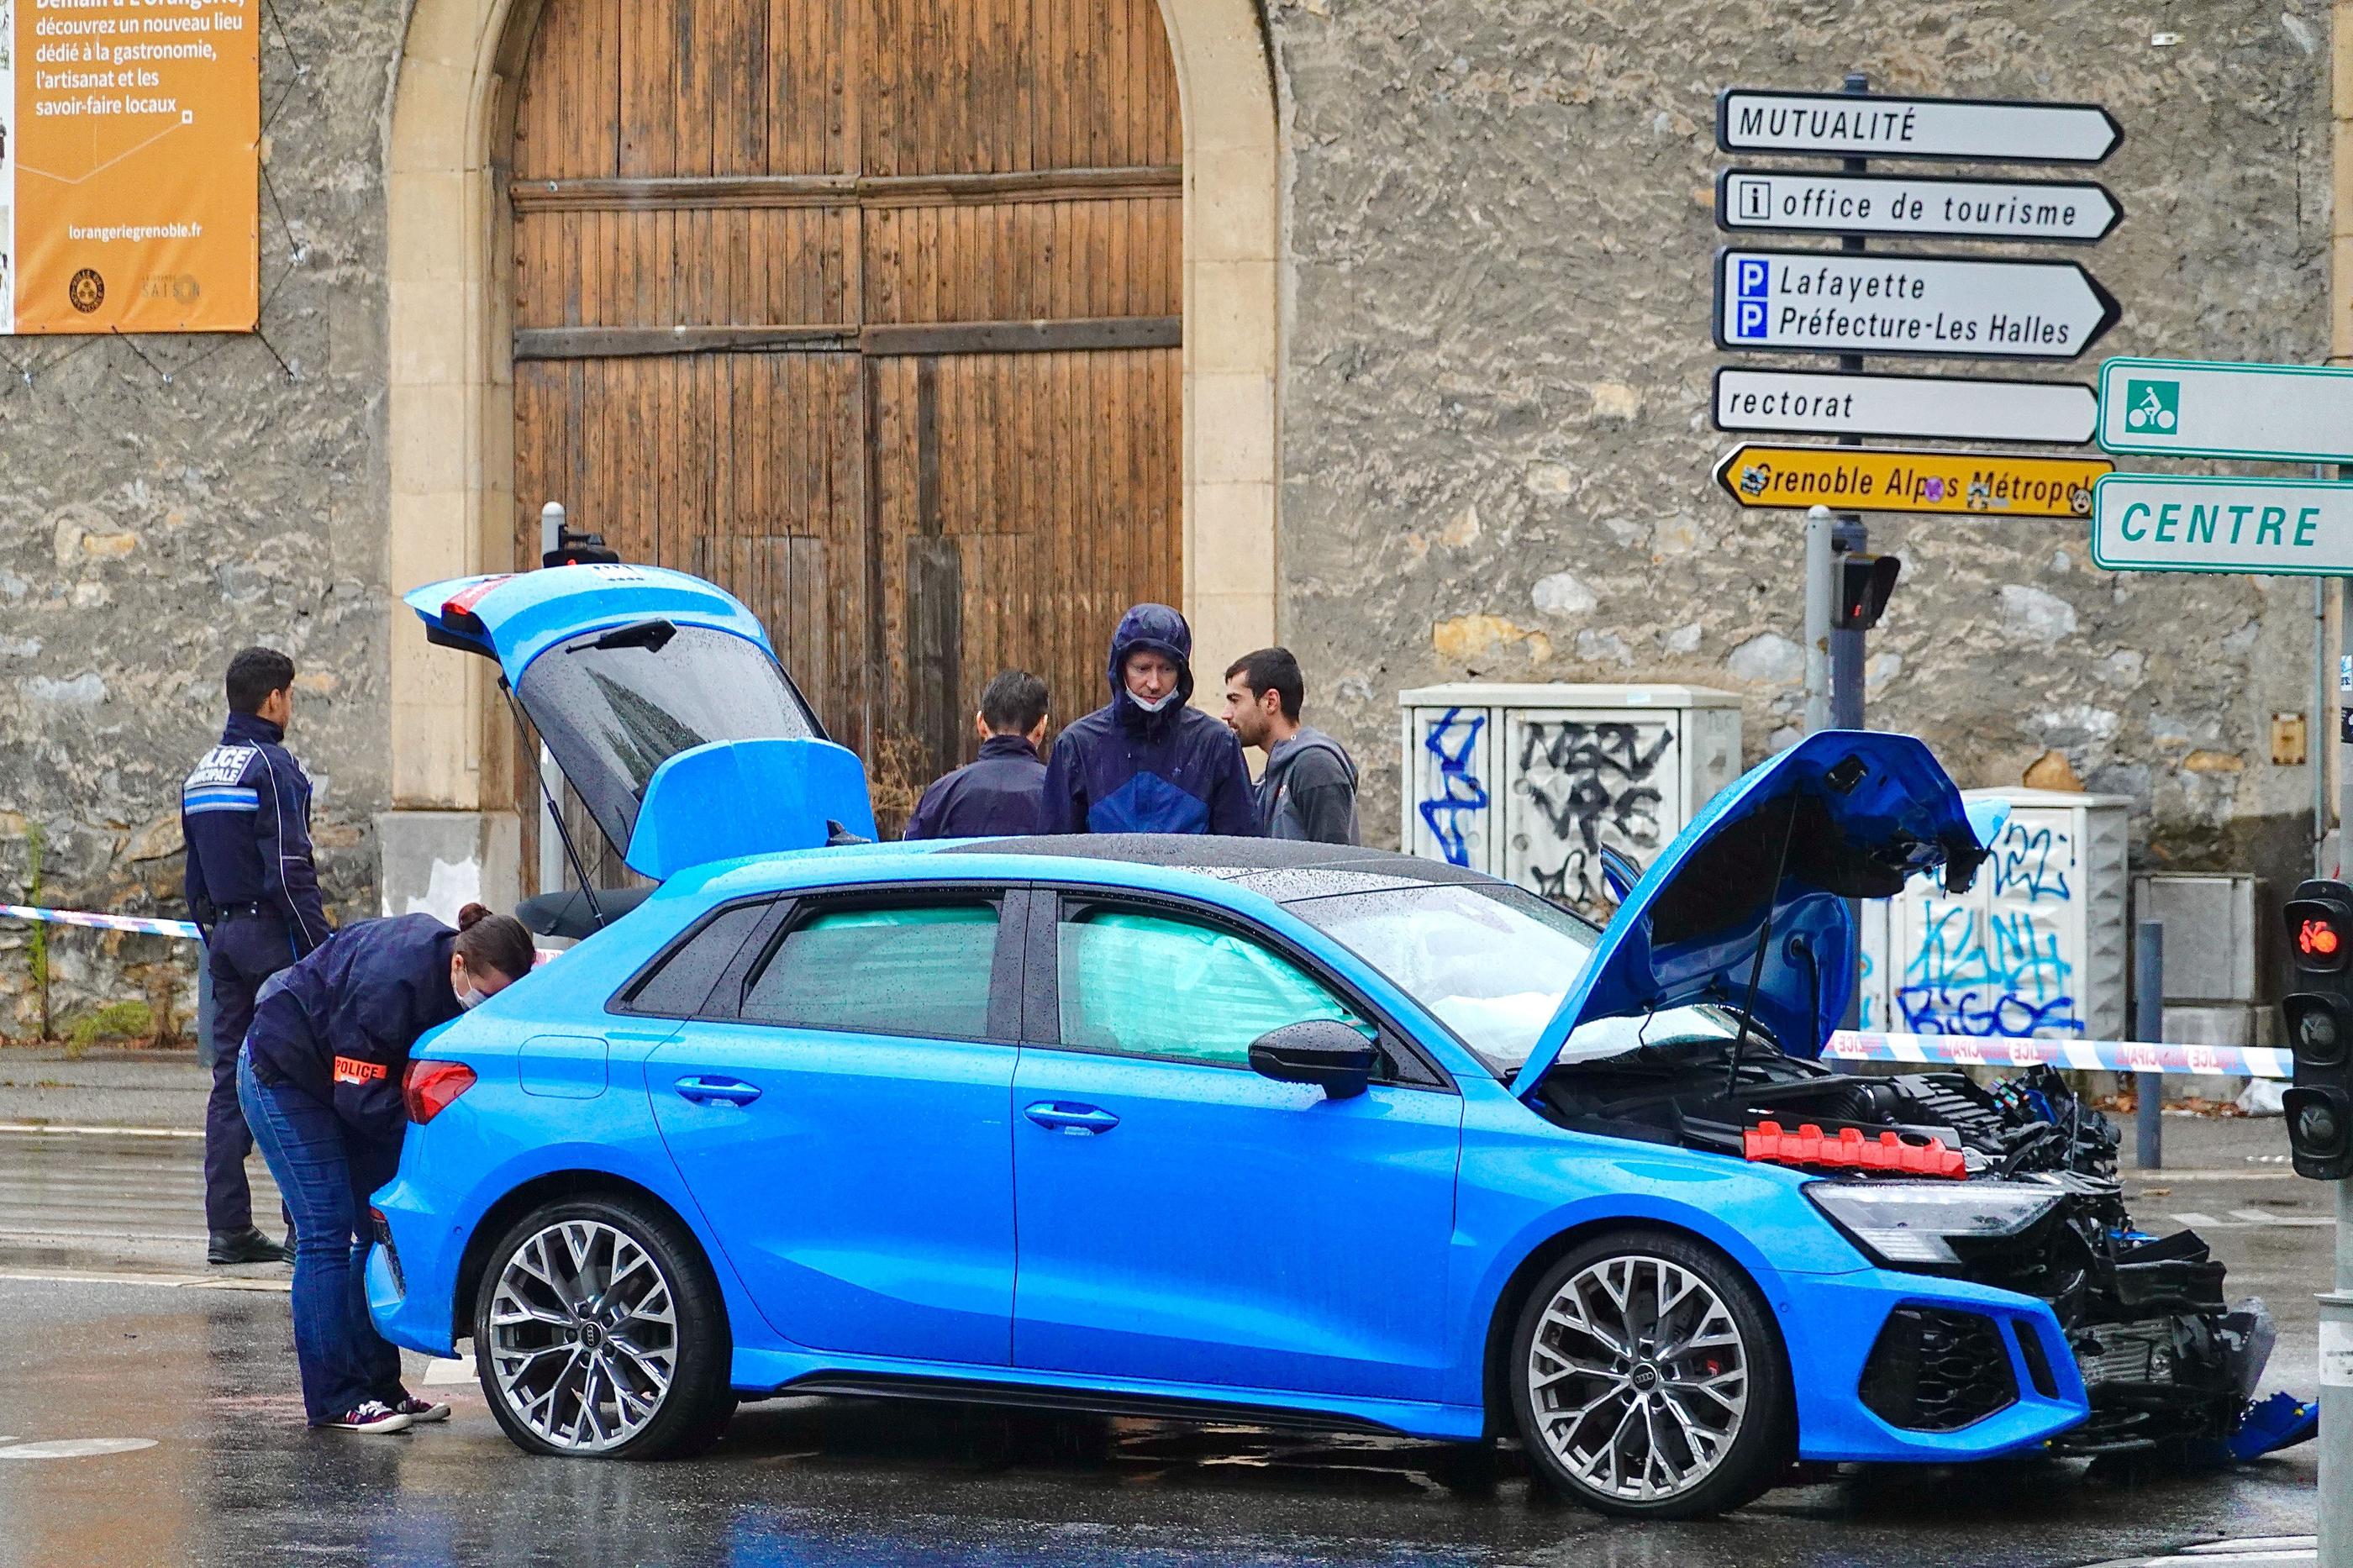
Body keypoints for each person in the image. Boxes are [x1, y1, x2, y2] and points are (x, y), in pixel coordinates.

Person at [237, 902, 536, 1434]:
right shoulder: (389, 983)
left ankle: (380, 1387)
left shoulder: (467, 975)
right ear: (459, 966)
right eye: (487, 998)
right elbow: (360, 1100)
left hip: (350, 1083)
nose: (488, 1011)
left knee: (375, 1228)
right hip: (284, 1072)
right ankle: (334, 1399)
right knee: (326, 1231)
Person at [182, 647, 331, 1265]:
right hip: (276, 940)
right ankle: (306, 1229)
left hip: (225, 943)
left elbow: (194, 883)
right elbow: (290, 872)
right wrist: (323, 953)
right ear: (273, 698)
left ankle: (229, 1228)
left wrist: (215, 936)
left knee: (229, 1084)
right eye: (291, 696)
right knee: (299, 1078)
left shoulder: (202, 773)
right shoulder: (273, 768)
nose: (291, 707)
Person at [1040, 603, 1256, 836]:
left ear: (1181, 673)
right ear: (1121, 669)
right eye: (1142, 669)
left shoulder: (1215, 744)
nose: (1153, 684)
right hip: (1107, 874)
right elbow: (1055, 852)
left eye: (1166, 669)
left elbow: (1243, 848)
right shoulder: (1078, 746)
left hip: (1188, 873)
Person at [1221, 647, 1362, 845]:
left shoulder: (1315, 766)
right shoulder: (1272, 777)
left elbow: (1335, 869)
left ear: (1270, 702)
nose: (1226, 714)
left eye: (1235, 700)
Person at [903, 670, 1053, 839]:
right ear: (1042, 726)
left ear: (981, 723)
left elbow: (911, 857)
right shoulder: (1058, 795)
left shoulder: (941, 795)